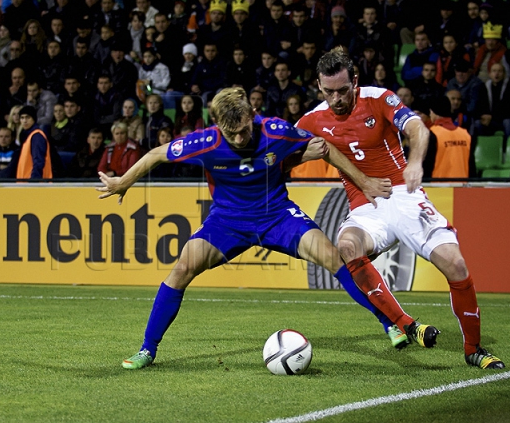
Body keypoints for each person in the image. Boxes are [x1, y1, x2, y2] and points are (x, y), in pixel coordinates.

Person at [98, 87, 438, 370]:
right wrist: (123, 183)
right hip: (227, 222)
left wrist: (362, 181)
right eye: (234, 134)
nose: (242, 137)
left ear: (252, 114)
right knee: (182, 268)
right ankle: (147, 349)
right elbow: (157, 153)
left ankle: (388, 323)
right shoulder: (204, 142)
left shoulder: (276, 130)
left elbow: (323, 147)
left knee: (335, 260)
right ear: (218, 126)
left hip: (277, 215)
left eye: (246, 128)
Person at [297, 50, 505, 370]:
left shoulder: (379, 98)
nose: (336, 99)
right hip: (365, 208)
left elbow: (418, 128)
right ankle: (405, 324)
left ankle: (474, 348)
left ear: (354, 81)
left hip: (403, 195)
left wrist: (416, 164)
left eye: (342, 90)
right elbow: (280, 147)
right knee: (348, 247)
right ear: (319, 87)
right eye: (329, 92)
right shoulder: (312, 120)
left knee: (455, 264)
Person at [428, 96, 471, 179]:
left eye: (430, 111)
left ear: (434, 112)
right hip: (462, 186)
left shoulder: (432, 133)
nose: (430, 115)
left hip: (438, 187)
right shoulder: (465, 134)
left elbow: (428, 163)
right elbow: (471, 164)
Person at [16, 105, 52, 179]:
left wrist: (34, 181)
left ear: (33, 119)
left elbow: (38, 161)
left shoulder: (37, 136)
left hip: (35, 184)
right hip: (25, 184)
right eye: (22, 118)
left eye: (27, 117)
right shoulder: (28, 136)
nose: (24, 121)